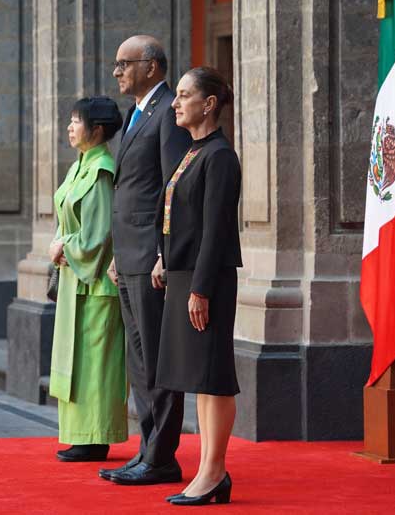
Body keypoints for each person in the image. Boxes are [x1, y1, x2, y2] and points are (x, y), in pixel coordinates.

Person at [99, 35, 192, 485]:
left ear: (153, 67)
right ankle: (147, 450)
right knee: (139, 364)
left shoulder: (168, 112)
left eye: (125, 63)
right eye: (116, 64)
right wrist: (120, 254)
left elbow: (173, 187)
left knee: (157, 360)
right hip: (128, 256)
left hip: (150, 259)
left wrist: (162, 252)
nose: (117, 71)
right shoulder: (137, 114)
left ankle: (162, 458)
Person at [155, 66, 242, 506]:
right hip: (185, 276)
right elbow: (177, 216)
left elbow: (216, 229)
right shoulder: (194, 152)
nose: (175, 102)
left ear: (208, 104)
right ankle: (210, 470)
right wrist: (163, 259)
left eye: (184, 95)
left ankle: (214, 472)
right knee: (199, 379)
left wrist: (201, 289)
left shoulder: (220, 156)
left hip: (207, 279)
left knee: (214, 376)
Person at [48, 97, 128, 462]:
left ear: (96, 130)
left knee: (96, 363)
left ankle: (96, 436)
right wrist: (61, 242)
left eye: (76, 121)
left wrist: (63, 245)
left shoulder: (101, 172)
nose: (69, 127)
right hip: (75, 279)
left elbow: (97, 236)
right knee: (79, 360)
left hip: (95, 282)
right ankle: (82, 433)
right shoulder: (79, 167)